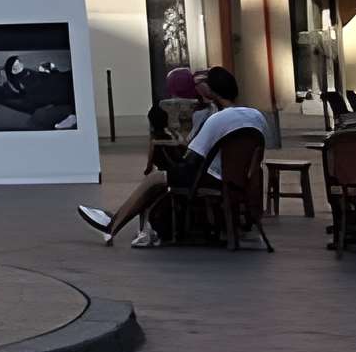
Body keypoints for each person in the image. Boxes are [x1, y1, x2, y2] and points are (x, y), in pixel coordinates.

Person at [81, 70, 266, 245]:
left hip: (211, 177)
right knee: (163, 177)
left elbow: (193, 154)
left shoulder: (217, 119)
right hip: (243, 178)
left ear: (212, 91)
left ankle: (112, 225)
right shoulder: (256, 116)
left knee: (156, 178)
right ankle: (117, 221)